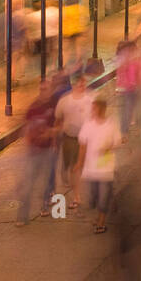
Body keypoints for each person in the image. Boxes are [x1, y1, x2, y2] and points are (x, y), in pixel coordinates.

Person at [75, 97, 121, 233]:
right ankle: (107, 204)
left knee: (103, 198)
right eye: (92, 108)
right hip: (91, 169)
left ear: (102, 109)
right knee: (93, 198)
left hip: (106, 169)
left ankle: (101, 223)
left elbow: (118, 142)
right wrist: (79, 162)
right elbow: (82, 145)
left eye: (94, 108)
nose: (92, 111)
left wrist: (109, 147)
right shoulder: (88, 124)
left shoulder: (111, 124)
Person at [15, 88, 58, 225]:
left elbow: (59, 125)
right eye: (42, 90)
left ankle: (44, 206)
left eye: (47, 90)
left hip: (47, 151)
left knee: (45, 183)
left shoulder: (53, 106)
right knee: (27, 185)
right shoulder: (32, 109)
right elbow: (26, 128)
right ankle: (22, 216)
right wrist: (28, 142)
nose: (45, 92)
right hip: (33, 152)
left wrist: (51, 133)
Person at [54, 75, 94, 209]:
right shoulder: (64, 101)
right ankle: (76, 194)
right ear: (73, 85)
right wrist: (55, 137)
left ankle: (80, 195)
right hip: (70, 138)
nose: (82, 87)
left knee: (81, 167)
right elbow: (58, 120)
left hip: (87, 140)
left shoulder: (91, 99)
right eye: (79, 84)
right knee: (73, 167)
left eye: (84, 84)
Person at [115, 38, 141, 137]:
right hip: (127, 89)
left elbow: (139, 73)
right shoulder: (123, 60)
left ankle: (128, 126)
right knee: (126, 110)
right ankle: (124, 131)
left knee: (132, 108)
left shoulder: (136, 60)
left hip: (135, 88)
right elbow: (120, 74)